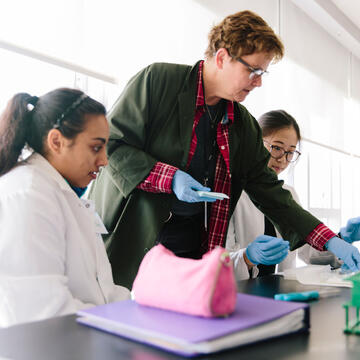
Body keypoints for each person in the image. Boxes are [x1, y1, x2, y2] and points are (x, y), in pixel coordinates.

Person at [88, 10, 360, 289]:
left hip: (193, 250)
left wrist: (331, 240)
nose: (259, 82)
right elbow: (112, 144)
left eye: (262, 73)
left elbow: (273, 195)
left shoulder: (243, 125)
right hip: (135, 239)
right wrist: (169, 177)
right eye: (253, 71)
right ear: (222, 57)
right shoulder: (158, 81)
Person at [0, 88, 130, 328]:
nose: (104, 160)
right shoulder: (28, 194)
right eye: (95, 147)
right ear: (56, 141)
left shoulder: (59, 193)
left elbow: (102, 292)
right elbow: (43, 314)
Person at [226, 110, 360, 280]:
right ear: (255, 144)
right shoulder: (233, 192)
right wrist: (248, 257)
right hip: (242, 295)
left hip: (283, 293)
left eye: (290, 152)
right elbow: (216, 263)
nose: (283, 159)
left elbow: (307, 252)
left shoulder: (288, 193)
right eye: (276, 148)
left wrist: (342, 238)